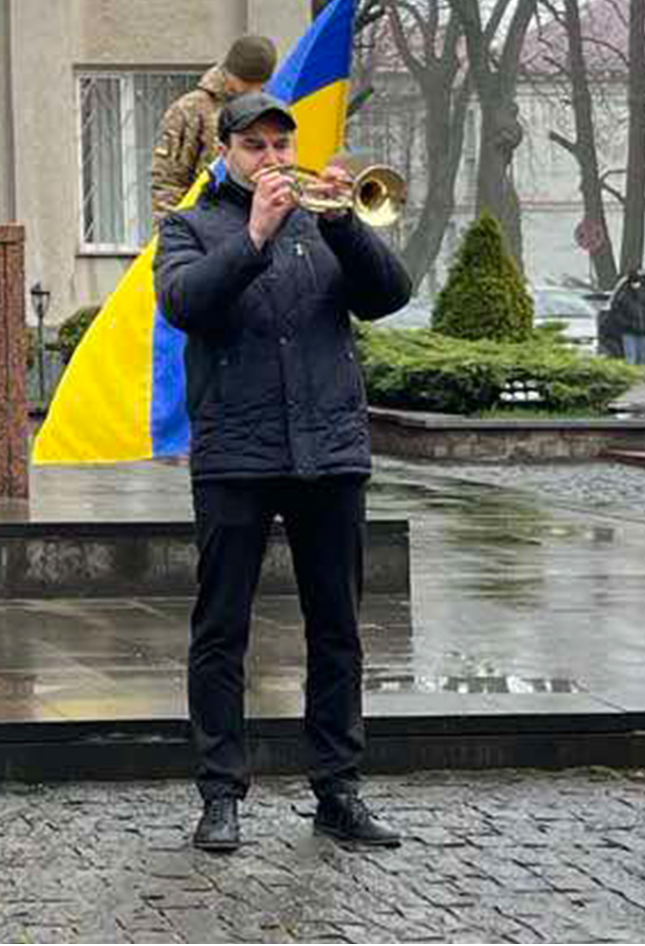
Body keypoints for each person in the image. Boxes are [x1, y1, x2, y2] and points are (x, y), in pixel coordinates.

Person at [157, 89, 414, 855]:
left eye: (281, 144)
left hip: (328, 452)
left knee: (336, 628)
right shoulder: (188, 226)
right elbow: (184, 303)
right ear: (225, 153)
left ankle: (338, 790)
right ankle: (219, 793)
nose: (272, 158)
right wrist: (255, 234)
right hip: (236, 453)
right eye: (255, 146)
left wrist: (344, 225)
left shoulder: (323, 221)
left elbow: (388, 294)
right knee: (220, 629)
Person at [151, 35, 281, 225]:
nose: (252, 91)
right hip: (202, 224)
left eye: (259, 85)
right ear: (228, 73)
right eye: (245, 83)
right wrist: (171, 232)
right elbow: (168, 180)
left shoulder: (272, 109)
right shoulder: (191, 109)